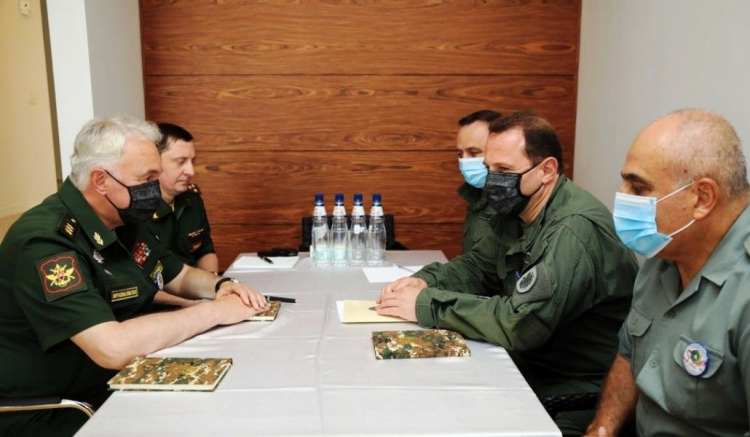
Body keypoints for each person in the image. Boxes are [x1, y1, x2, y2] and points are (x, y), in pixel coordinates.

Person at [0, 116, 268, 437]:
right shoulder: (46, 241)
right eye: (147, 178)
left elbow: (177, 275)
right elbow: (112, 347)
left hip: (111, 384)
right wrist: (214, 312)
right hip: (54, 410)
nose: (154, 188)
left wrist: (222, 286)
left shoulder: (120, 218)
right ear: (101, 180)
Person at [377, 111, 638, 435]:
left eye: (504, 171)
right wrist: (427, 280)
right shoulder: (520, 208)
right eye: (489, 169)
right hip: (529, 361)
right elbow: (479, 265)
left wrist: (426, 303)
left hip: (575, 387)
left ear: (546, 170)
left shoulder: (572, 230)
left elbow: (521, 324)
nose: (492, 182)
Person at [586, 109, 750, 437]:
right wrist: (602, 427)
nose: (621, 197)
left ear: (701, 198)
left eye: (638, 188)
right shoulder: (666, 248)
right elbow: (630, 355)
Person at [146, 123, 217, 308]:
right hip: (156, 306)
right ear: (154, 162)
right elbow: (140, 284)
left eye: (192, 161)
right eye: (181, 162)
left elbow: (205, 251)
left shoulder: (192, 200)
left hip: (194, 294)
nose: (191, 171)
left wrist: (213, 286)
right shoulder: (137, 208)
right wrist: (195, 303)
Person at [456, 109, 502, 254]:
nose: (464, 160)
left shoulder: (510, 200)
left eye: (473, 152)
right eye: (460, 154)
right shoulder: (477, 196)